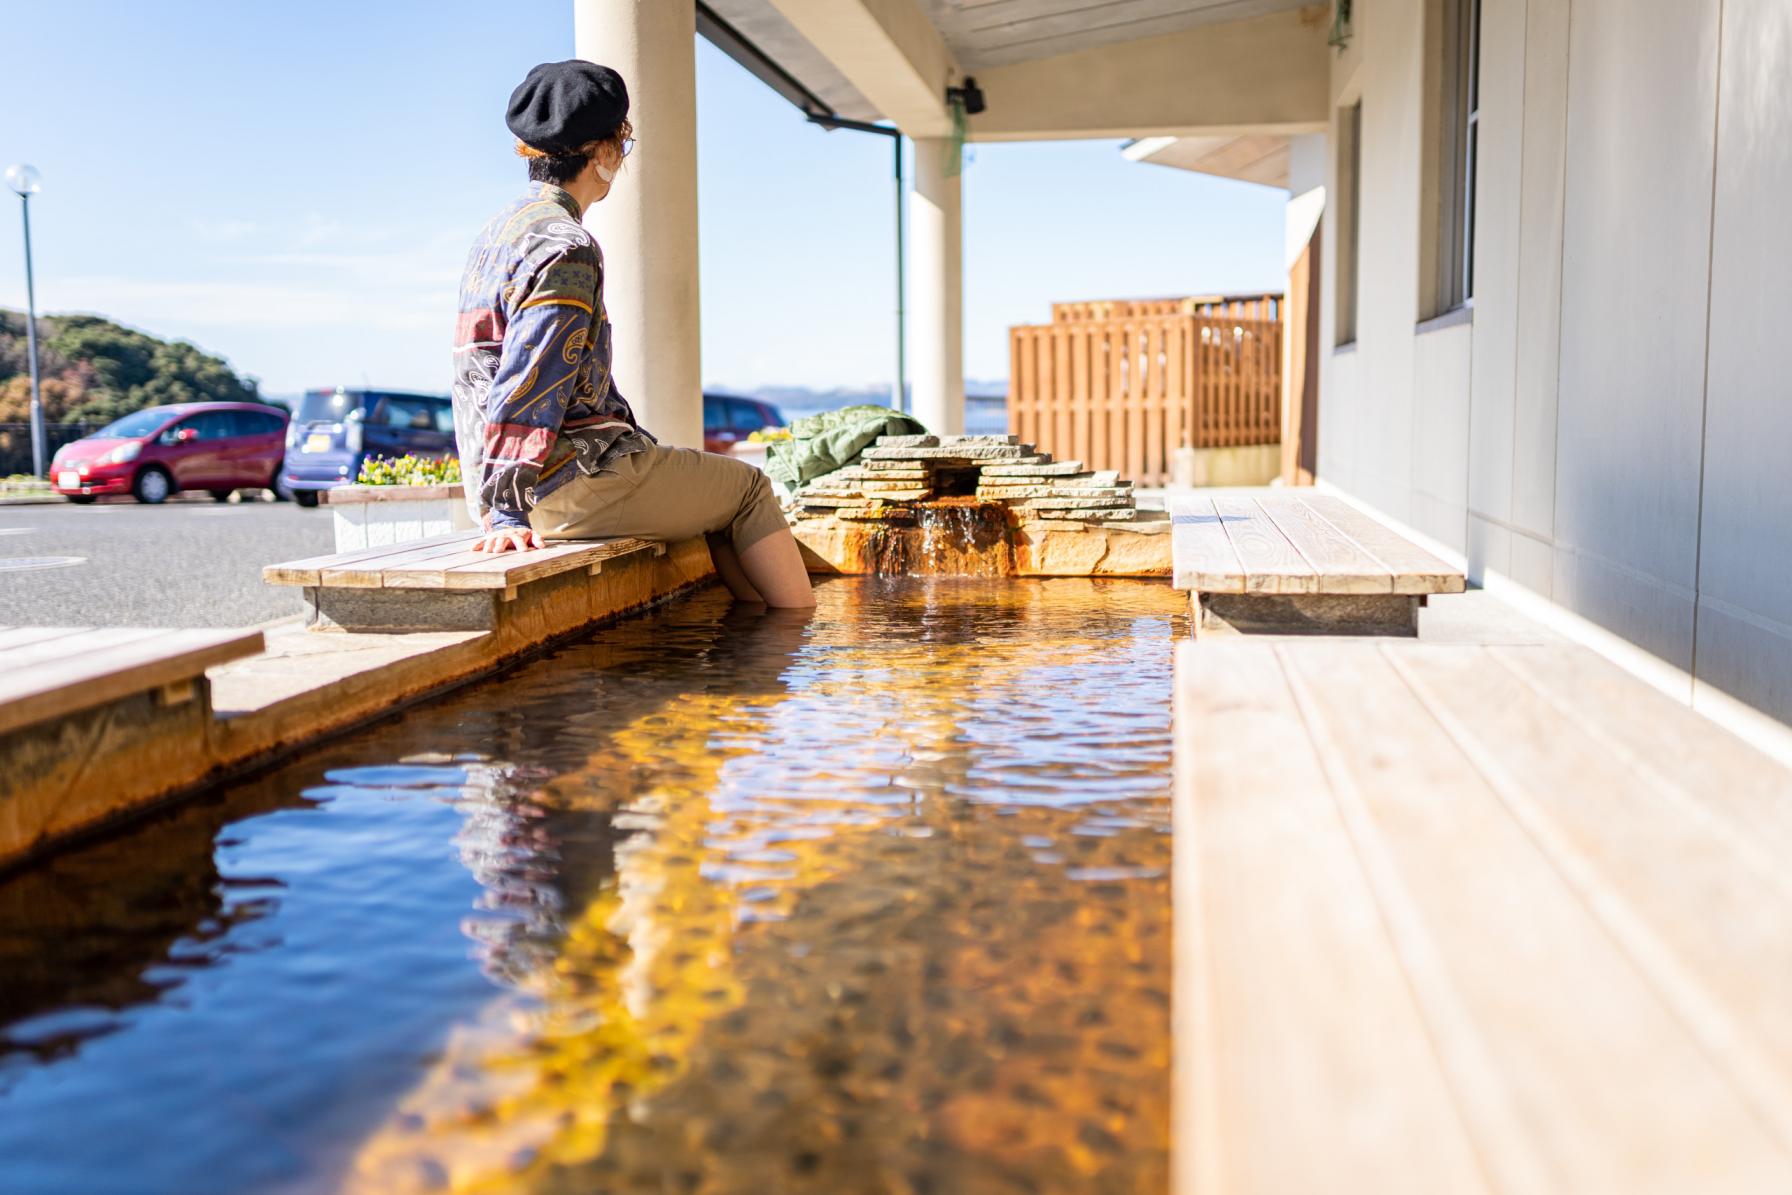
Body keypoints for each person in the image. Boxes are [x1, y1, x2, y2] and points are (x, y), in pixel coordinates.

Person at [452, 60, 814, 608]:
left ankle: (757, 647)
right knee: (747, 489)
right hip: (560, 485)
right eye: (622, 145)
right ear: (603, 153)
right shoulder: (566, 246)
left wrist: (497, 494)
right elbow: (529, 380)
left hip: (517, 481)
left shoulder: (496, 233)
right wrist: (507, 507)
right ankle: (798, 647)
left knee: (708, 496)